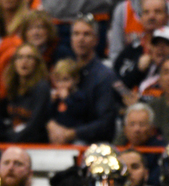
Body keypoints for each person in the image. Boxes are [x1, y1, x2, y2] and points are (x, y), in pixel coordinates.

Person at [46, 16, 120, 145]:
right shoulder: (65, 69)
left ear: (96, 40)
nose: (80, 39)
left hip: (92, 144)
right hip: (60, 137)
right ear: (71, 39)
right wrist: (51, 124)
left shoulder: (104, 76)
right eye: (76, 34)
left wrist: (72, 133)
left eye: (86, 34)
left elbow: (105, 123)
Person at [2, 42, 51, 144]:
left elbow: (35, 125)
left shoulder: (41, 87)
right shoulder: (12, 87)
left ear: (37, 63)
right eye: (20, 57)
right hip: (14, 142)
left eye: (29, 57)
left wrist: (11, 140)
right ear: (14, 62)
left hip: (35, 145)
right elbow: (5, 119)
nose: (24, 61)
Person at [121, 102, 165, 181]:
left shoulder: (160, 150)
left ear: (151, 128)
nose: (136, 129)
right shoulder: (119, 147)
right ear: (125, 129)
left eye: (142, 124)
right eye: (132, 124)